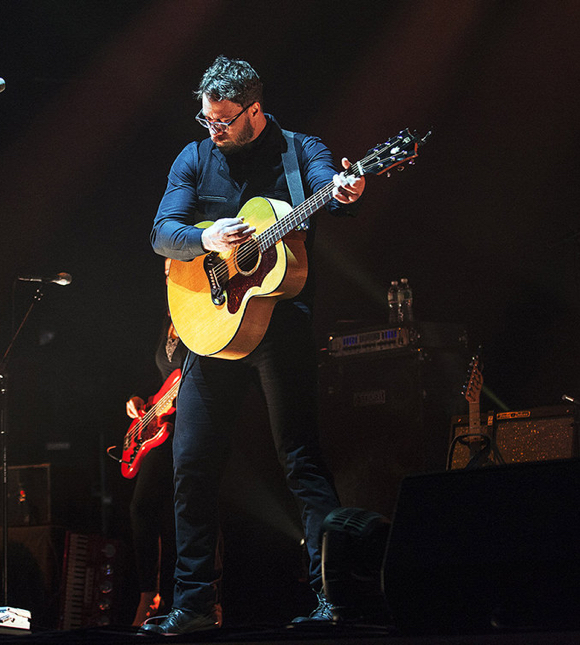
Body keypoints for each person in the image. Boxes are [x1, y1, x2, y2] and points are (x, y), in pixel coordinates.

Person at [142, 55, 365, 635]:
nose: (213, 129)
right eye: (207, 118)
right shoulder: (194, 157)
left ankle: (332, 597)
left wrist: (344, 188)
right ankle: (191, 606)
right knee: (190, 464)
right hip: (212, 325)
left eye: (223, 119)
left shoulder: (300, 149)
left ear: (254, 111)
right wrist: (205, 237)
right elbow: (162, 233)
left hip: (281, 321)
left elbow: (323, 188)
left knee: (302, 459)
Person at [125, 261, 187, 626]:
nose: (167, 273)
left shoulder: (200, 315)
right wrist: (138, 401)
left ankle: (202, 599)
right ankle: (151, 592)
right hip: (162, 423)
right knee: (142, 507)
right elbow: (158, 374)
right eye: (164, 268)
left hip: (191, 421)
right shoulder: (167, 317)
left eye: (174, 266)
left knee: (190, 508)